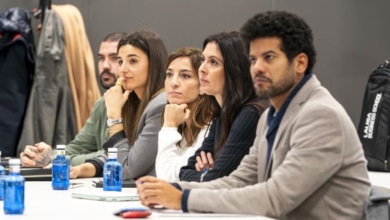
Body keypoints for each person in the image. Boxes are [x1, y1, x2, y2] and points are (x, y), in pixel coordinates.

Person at [136, 11, 371, 219]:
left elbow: (275, 197)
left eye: (268, 57)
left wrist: (183, 199)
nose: (257, 67)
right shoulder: (271, 117)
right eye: (253, 59)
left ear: (300, 63)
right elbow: (237, 181)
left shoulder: (320, 115)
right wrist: (175, 190)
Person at [70, 30, 168, 180]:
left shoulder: (160, 106)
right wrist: (82, 169)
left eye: (133, 61)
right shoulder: (132, 100)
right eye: (121, 61)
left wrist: (114, 117)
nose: (122, 69)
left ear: (153, 63)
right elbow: (119, 152)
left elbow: (126, 170)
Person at [20, 32, 127, 166]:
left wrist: (54, 160)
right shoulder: (102, 104)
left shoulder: (141, 103)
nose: (105, 65)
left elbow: (115, 156)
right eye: (101, 58)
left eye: (114, 58)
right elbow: (76, 148)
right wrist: (44, 156)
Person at [178, 31, 268, 182]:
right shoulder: (222, 115)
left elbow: (217, 179)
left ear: (234, 69)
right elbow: (184, 172)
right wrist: (206, 175)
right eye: (203, 60)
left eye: (213, 62)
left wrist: (206, 175)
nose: (202, 69)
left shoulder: (250, 114)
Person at [156, 47, 216, 182]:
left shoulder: (211, 127)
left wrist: (169, 126)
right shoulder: (182, 124)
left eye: (185, 76)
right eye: (169, 74)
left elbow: (167, 177)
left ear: (202, 85)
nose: (173, 83)